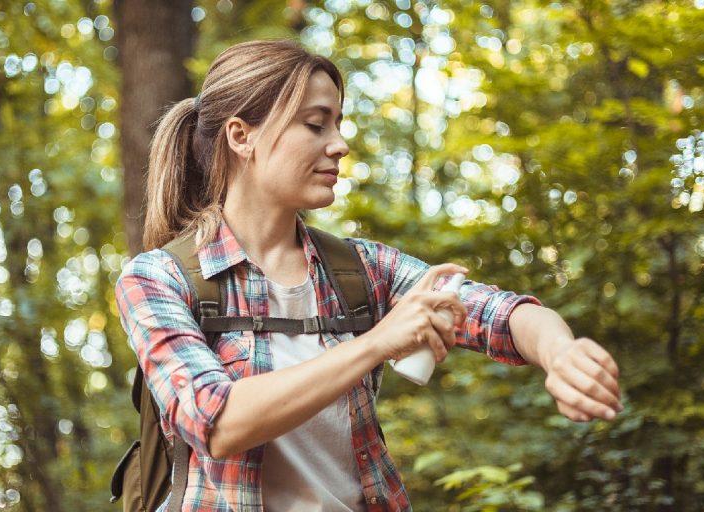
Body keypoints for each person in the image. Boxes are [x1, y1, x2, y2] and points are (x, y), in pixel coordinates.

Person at [114, 39, 622, 511]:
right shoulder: (159, 279)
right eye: (316, 124)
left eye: (338, 123)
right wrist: (378, 343)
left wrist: (561, 353)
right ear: (242, 136)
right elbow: (215, 420)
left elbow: (500, 315)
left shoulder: (360, 269)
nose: (340, 145)